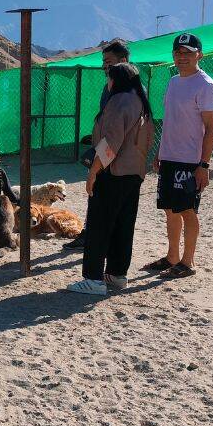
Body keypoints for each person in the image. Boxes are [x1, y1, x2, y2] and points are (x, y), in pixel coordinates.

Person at [66, 62, 154, 295]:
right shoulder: (141, 103)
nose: (108, 82)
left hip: (112, 173)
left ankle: (93, 279)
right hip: (134, 174)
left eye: (109, 77)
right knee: (123, 225)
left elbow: (110, 143)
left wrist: (93, 171)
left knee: (99, 225)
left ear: (116, 80)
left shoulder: (119, 101)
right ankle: (117, 274)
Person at [145, 32, 213, 279]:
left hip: (190, 161)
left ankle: (188, 262)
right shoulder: (174, 82)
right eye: (178, 53)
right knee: (169, 209)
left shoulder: (206, 86)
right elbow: (170, 121)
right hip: (169, 157)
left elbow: (211, 129)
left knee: (188, 210)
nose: (182, 57)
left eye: (188, 53)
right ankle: (172, 257)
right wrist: (160, 151)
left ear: (199, 54)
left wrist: (204, 164)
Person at [65, 40, 130, 251]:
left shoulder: (131, 91)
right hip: (105, 151)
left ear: (124, 61)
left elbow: (117, 133)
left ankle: (100, 240)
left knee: (110, 200)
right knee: (96, 195)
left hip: (116, 156)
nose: (105, 66)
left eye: (109, 62)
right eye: (104, 62)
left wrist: (101, 159)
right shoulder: (107, 87)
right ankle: (89, 234)